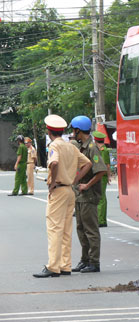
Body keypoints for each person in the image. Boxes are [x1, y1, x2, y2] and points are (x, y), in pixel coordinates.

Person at [33, 115, 92, 278]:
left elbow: (54, 163)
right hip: (69, 191)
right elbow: (88, 163)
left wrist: (52, 182)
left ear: (48, 130)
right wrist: (75, 179)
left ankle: (53, 266)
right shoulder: (70, 147)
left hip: (58, 190)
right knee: (66, 230)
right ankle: (65, 265)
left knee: (54, 229)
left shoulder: (54, 146)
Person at [70, 116, 107, 273]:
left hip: (89, 195)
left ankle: (94, 262)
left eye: (74, 130)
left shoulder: (92, 147)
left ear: (79, 130)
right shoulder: (82, 146)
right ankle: (84, 260)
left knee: (91, 230)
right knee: (81, 229)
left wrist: (87, 185)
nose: (73, 133)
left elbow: (101, 171)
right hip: (80, 195)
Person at [92, 131, 111, 227]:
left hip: (101, 176)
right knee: (100, 197)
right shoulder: (97, 149)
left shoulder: (104, 150)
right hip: (98, 176)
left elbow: (107, 165)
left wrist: (108, 176)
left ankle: (102, 220)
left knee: (101, 198)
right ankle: (99, 218)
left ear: (95, 140)